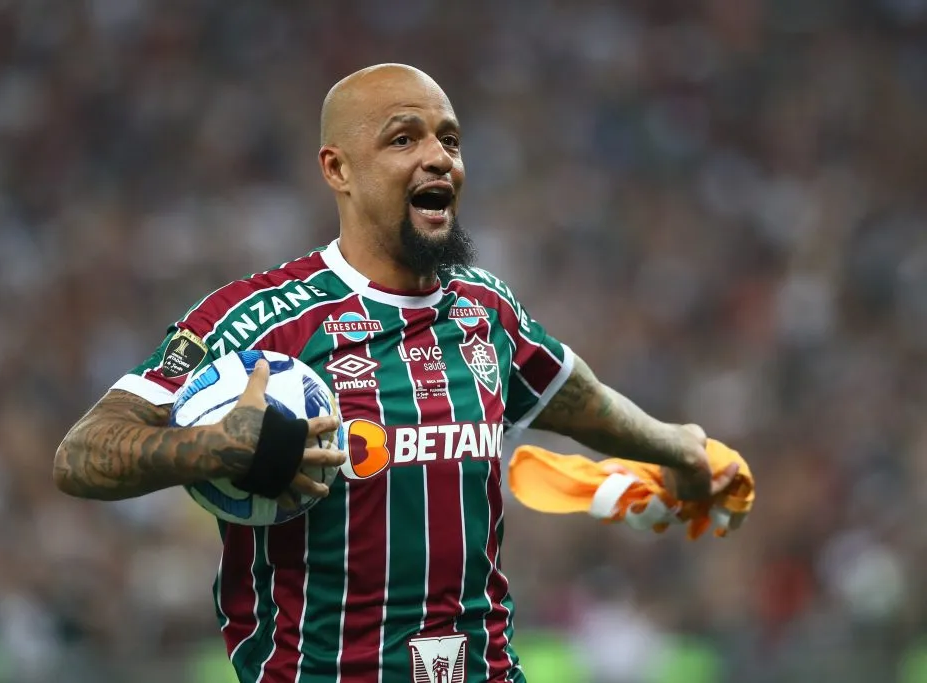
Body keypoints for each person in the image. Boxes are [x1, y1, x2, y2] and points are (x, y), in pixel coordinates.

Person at [54, 63, 739, 683]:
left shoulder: (486, 309)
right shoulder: (258, 322)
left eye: (450, 139)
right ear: (338, 169)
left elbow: (575, 397)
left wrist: (678, 447)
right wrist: (206, 447)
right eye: (404, 139)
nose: (439, 157)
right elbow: (80, 453)